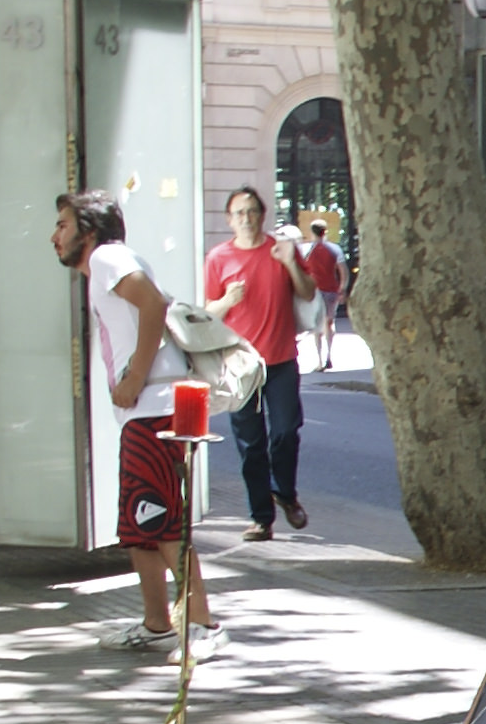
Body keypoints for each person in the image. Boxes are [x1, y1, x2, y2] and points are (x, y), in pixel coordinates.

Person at [57, 190, 220, 652]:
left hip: (154, 409)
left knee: (161, 520)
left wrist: (133, 377)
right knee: (139, 525)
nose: (55, 236)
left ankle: (202, 626)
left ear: (89, 231)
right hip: (144, 412)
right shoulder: (107, 265)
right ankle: (157, 624)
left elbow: (153, 304)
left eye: (63, 225)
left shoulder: (107, 256)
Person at [205, 186, 313, 541]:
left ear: (263, 215)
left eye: (252, 211)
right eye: (239, 213)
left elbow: (308, 292)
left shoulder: (280, 250)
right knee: (251, 444)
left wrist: (291, 263)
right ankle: (261, 518)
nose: (246, 218)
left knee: (285, 431)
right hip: (241, 367)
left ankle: (285, 493)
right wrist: (227, 300)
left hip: (281, 360)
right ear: (229, 219)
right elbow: (208, 313)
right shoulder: (218, 258)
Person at [299, 217, 346, 371]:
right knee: (329, 323)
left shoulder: (306, 249)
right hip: (331, 290)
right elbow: (343, 271)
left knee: (317, 327)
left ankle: (319, 360)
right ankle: (329, 356)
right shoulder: (335, 249)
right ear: (325, 232)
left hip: (315, 291)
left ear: (312, 232)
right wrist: (342, 288)